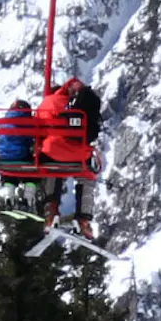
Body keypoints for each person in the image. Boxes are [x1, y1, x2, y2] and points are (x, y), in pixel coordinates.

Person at [40, 73, 103, 234]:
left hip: (51, 152)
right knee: (87, 175)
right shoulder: (72, 104)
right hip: (77, 155)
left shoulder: (46, 104)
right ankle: (83, 219)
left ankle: (51, 212)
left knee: (52, 169)